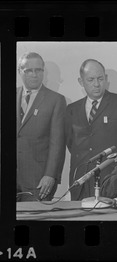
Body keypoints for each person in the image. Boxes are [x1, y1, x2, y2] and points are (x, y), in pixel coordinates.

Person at [65, 59, 117, 200]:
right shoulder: (71, 109)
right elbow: (72, 144)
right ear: (80, 81)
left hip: (112, 179)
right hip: (80, 181)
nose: (96, 84)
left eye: (100, 79)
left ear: (106, 79)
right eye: (90, 80)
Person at [17, 52, 67, 201]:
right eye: (28, 70)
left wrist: (50, 175)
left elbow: (57, 143)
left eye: (38, 70)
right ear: (19, 71)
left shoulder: (56, 100)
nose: (34, 75)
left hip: (38, 180)